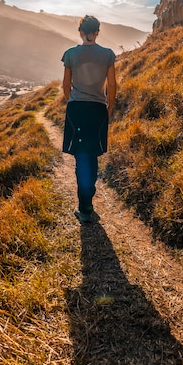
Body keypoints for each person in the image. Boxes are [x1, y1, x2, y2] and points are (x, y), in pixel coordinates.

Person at [61, 15, 117, 224]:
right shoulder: (108, 55)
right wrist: (109, 107)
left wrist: (72, 102)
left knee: (80, 156)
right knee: (92, 155)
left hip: (76, 109)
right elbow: (112, 86)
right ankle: (87, 202)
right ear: (97, 32)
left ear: (80, 32)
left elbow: (66, 86)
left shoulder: (70, 54)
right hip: (97, 109)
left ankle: (84, 207)